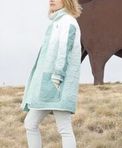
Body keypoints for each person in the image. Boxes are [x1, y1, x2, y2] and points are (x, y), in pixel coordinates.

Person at [20, 0, 82, 147]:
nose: (51, 0)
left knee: (64, 128)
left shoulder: (67, 22)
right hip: (47, 86)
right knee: (30, 123)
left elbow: (63, 52)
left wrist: (57, 77)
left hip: (57, 84)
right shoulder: (57, 22)